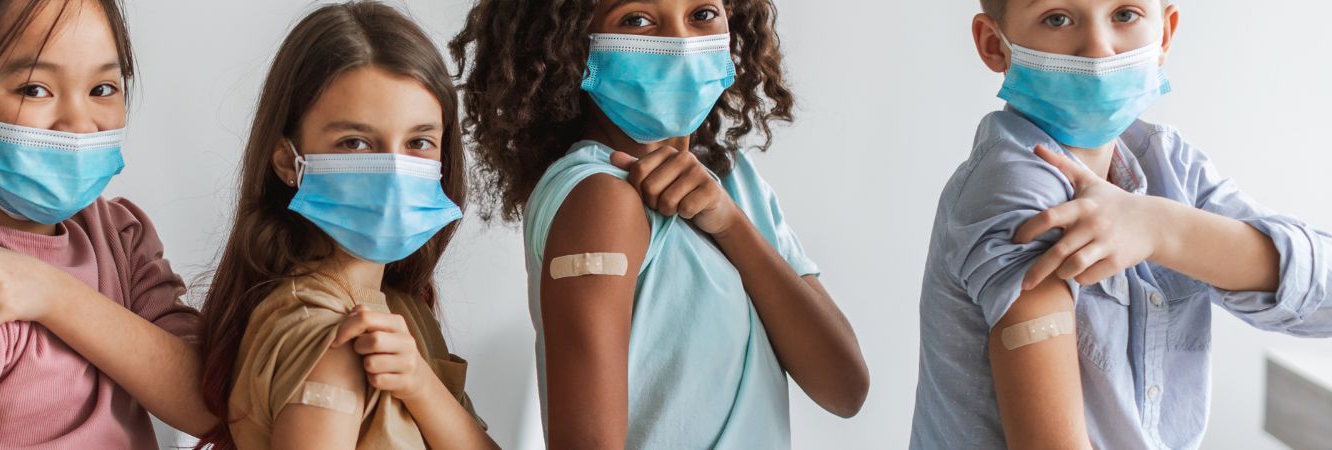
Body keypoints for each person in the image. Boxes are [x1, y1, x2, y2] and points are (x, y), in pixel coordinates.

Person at [449, 0, 869, 448]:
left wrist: (730, 225)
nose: (681, 43)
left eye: (702, 14)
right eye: (637, 19)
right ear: (572, 42)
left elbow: (845, 388)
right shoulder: (600, 200)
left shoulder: (735, 182)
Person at [912, 1, 1332, 449]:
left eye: (1125, 14)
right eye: (1057, 18)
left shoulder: (1168, 165)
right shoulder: (1015, 191)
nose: (1099, 49)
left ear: (1164, 33)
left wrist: (1161, 228)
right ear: (995, 45)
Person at [0, 0, 214, 448]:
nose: (78, 124)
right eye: (35, 89)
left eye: (103, 88)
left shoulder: (120, 236)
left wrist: (53, 294)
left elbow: (210, 403)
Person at [192, 2, 497, 449]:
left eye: (419, 142)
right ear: (287, 161)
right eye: (355, 143)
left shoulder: (402, 310)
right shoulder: (334, 341)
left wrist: (420, 384)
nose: (394, 172)